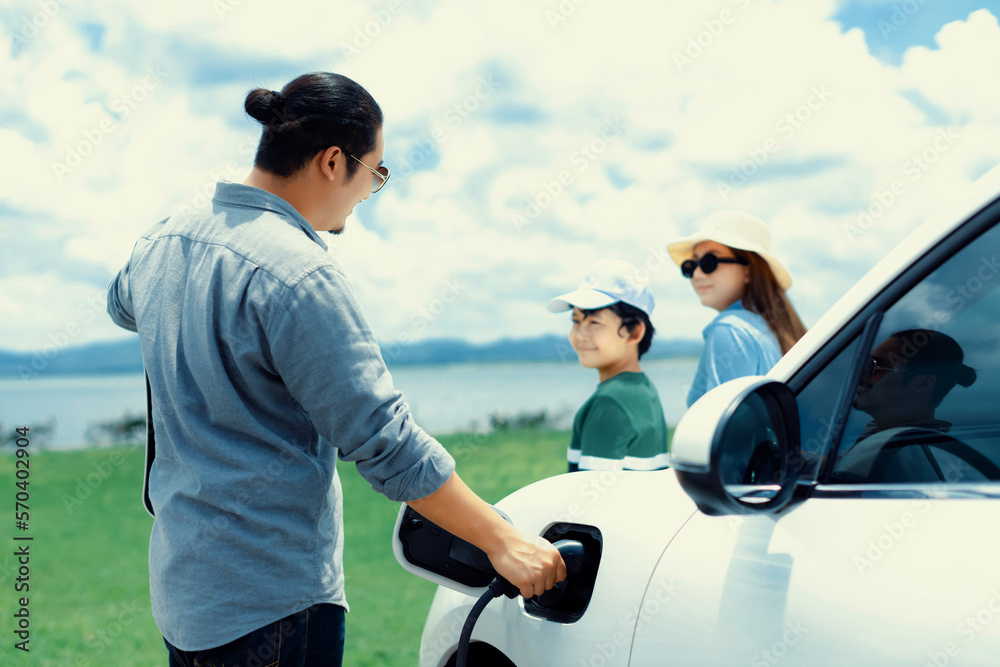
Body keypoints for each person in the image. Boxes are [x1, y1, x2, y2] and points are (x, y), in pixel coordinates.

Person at [106, 72, 564, 667]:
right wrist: (503, 540)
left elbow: (122, 304)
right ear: (330, 162)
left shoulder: (161, 243)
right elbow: (385, 441)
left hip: (184, 591)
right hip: (272, 603)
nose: (368, 192)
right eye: (374, 173)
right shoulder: (298, 275)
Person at [667, 210, 807, 407]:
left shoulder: (729, 329)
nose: (697, 273)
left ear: (748, 271)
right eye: (690, 265)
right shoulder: (772, 330)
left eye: (709, 262)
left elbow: (726, 430)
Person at [548, 258, 670, 472]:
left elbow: (590, 501)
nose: (580, 335)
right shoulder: (645, 390)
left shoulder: (609, 402)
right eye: (576, 321)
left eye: (594, 322)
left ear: (634, 332)